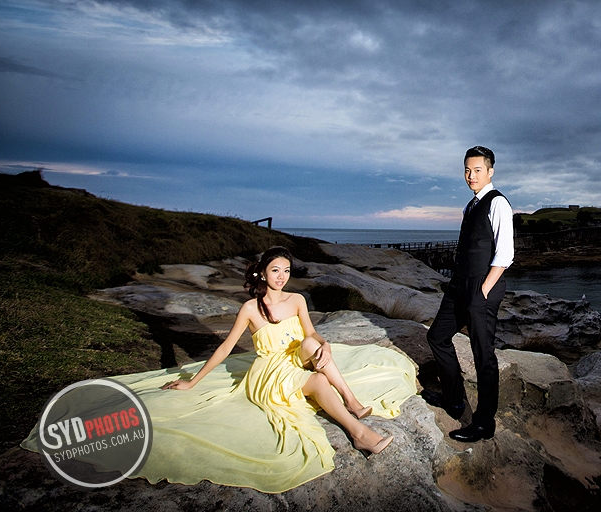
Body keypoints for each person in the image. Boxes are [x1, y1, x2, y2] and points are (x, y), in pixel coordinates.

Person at [163, 246, 393, 456]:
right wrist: (192, 382)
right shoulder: (250, 308)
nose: (282, 276)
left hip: (295, 358)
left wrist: (325, 344)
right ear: (263, 273)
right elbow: (225, 348)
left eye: (286, 270)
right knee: (320, 380)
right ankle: (359, 434)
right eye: (275, 270)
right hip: (271, 370)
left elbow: (311, 333)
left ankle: (350, 400)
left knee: (311, 343)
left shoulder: (297, 300)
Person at [424, 145, 514, 442]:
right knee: (437, 336)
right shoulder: (470, 206)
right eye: (467, 170)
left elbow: (505, 254)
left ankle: (484, 423)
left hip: (481, 287)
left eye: (477, 170)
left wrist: (483, 290)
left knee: (483, 356)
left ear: (490, 171)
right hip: (459, 285)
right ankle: (453, 400)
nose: (471, 175)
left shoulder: (498, 203)